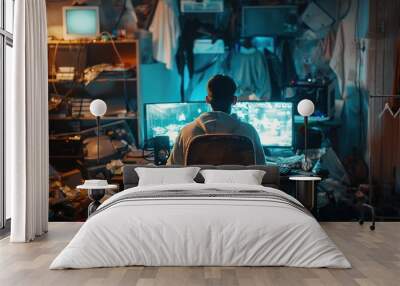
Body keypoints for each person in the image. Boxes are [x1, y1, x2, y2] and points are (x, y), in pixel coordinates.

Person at [167, 74, 266, 165]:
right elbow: (262, 170)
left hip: (199, 185)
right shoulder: (249, 131)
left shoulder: (186, 132)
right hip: (237, 184)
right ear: (234, 100)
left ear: (207, 100)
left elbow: (172, 169)